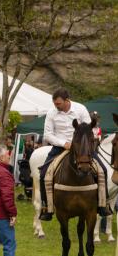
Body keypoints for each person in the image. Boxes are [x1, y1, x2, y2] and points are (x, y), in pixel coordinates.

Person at [39, 89, 91, 220]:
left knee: (102, 170)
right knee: (43, 173)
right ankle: (46, 207)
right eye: (55, 103)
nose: (56, 106)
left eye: (58, 103)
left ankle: (103, 204)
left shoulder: (81, 109)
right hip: (59, 148)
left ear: (67, 100)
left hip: (82, 149)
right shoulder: (51, 113)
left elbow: (90, 129)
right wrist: (64, 143)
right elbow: (47, 135)